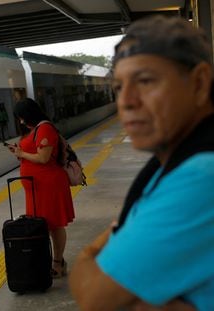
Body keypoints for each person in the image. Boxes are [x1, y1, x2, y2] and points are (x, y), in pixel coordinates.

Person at [69, 15, 214, 311]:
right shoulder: (175, 161)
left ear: (199, 83)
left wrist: (87, 255)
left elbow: (93, 299)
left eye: (145, 81)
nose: (126, 102)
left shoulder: (202, 177)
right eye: (119, 87)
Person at [8, 98, 75, 277]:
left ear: (30, 114)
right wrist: (19, 153)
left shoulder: (45, 128)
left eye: (22, 117)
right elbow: (33, 155)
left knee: (54, 225)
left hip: (49, 186)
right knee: (43, 226)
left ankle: (58, 263)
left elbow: (44, 158)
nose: (21, 121)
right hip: (36, 189)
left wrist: (22, 153)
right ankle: (48, 261)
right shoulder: (35, 130)